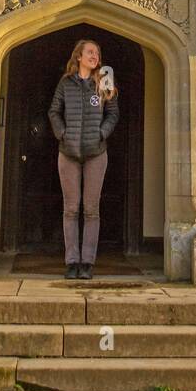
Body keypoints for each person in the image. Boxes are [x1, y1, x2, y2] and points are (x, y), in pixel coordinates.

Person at [48, 38, 120, 280]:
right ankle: (71, 262)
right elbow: (54, 111)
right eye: (90, 52)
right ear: (78, 56)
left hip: (95, 153)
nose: (95, 56)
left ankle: (87, 262)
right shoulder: (65, 83)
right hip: (67, 153)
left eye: (97, 53)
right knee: (70, 209)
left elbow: (113, 113)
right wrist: (62, 133)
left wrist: (101, 133)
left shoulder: (103, 81)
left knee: (91, 210)